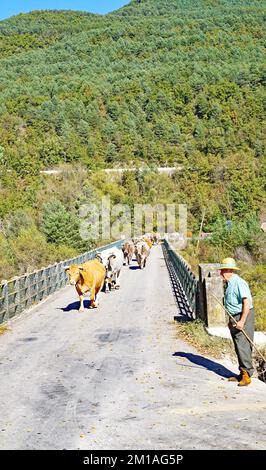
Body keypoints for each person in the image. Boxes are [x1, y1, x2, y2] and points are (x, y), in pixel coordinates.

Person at [219, 258, 254, 386]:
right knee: (238, 345)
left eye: (223, 270)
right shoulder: (229, 284)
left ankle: (247, 375)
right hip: (234, 317)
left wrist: (242, 321)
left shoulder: (239, 283)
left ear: (229, 271)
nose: (221, 273)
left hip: (243, 316)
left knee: (243, 345)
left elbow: (247, 302)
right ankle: (242, 373)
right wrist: (230, 322)